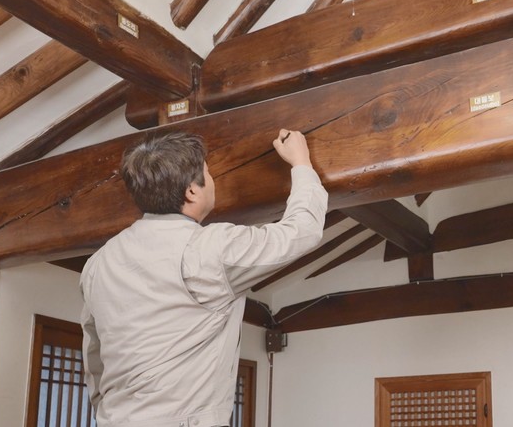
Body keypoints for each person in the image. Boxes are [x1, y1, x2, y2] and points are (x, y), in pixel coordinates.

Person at [80, 129, 328, 427]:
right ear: (192, 191)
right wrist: (301, 163)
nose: (212, 181)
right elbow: (301, 232)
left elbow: (94, 355)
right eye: (209, 175)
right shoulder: (208, 248)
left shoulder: (98, 263)